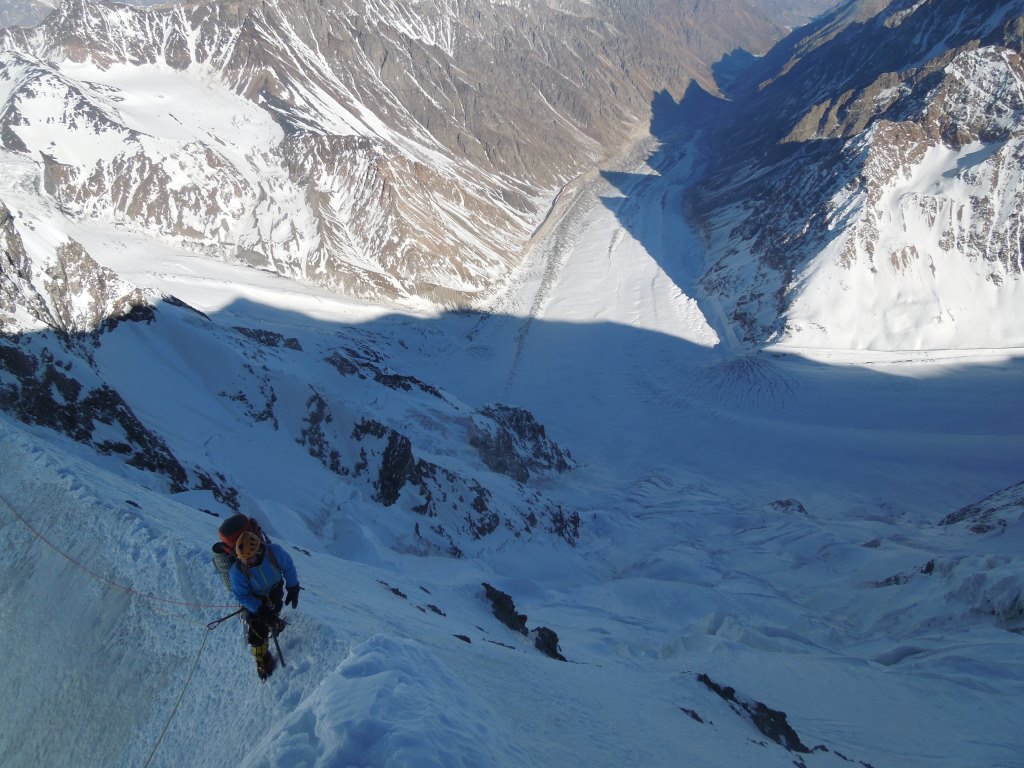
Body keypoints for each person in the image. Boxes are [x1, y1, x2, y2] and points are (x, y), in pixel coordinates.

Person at [229, 530, 301, 681]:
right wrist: (259, 609)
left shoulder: (273, 553)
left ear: (258, 550)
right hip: (254, 597)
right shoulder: (237, 572)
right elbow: (241, 595)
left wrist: (293, 586)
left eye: (249, 557)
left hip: (275, 588)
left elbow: (288, 566)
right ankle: (262, 659)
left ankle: (274, 622)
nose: (246, 562)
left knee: (274, 610)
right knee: (257, 631)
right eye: (243, 558)